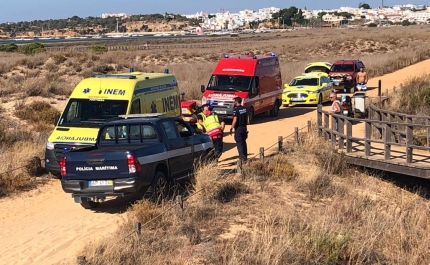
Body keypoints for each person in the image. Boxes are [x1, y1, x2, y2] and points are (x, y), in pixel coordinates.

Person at [230, 97, 248, 162]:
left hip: (238, 128)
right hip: (244, 127)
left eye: (234, 101)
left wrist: (231, 128)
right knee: (244, 142)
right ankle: (245, 157)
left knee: (239, 143)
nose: (233, 102)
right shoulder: (244, 109)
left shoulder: (236, 110)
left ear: (236, 102)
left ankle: (241, 157)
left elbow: (235, 120)